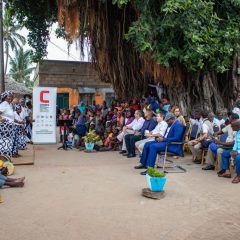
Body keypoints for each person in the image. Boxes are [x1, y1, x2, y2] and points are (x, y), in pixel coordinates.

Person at [0, 91, 16, 158]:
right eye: (9, 96)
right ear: (5, 97)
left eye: (12, 96)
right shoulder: (4, 104)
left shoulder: (9, 105)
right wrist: (1, 119)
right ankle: (3, 159)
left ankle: (7, 158)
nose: (11, 98)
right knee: (4, 144)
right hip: (5, 129)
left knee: (8, 145)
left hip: (9, 129)